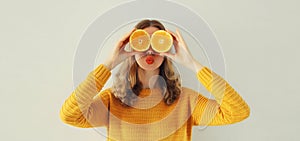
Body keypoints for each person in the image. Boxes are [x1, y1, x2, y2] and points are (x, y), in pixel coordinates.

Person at [59, 19, 250, 141]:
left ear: (167, 50)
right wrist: (110, 63)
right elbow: (69, 115)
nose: (150, 50)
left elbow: (237, 112)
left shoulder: (186, 100)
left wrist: (192, 63)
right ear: (131, 48)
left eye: (157, 43)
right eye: (142, 42)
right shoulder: (113, 100)